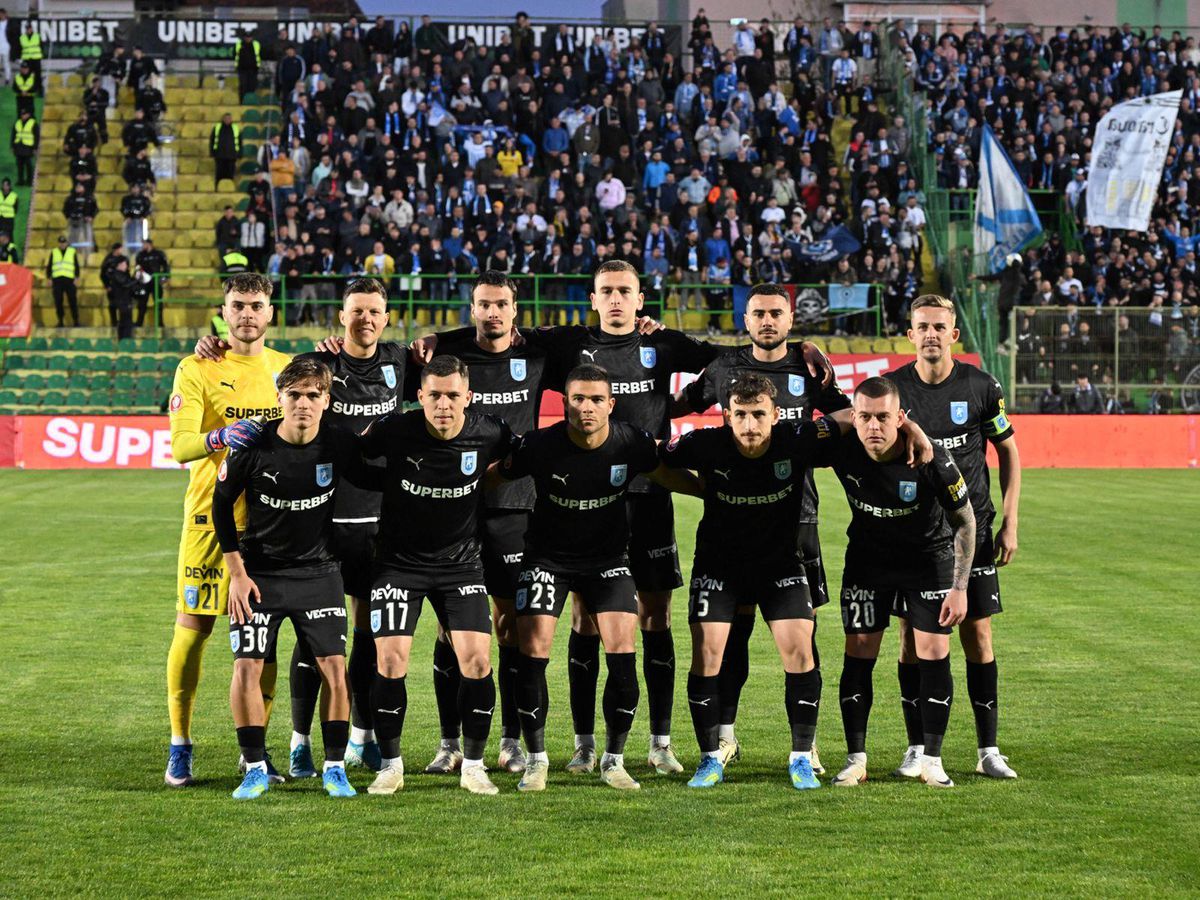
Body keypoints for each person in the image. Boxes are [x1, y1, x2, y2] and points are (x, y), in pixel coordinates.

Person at [494, 363, 701, 792]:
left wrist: (719, 492)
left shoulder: (631, 443)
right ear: (565, 403)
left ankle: (612, 759)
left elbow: (667, 475)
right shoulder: (539, 445)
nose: (586, 408)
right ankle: (536, 761)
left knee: (623, 651)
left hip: (608, 561)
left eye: (594, 400)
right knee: (532, 651)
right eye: (577, 399)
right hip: (547, 561)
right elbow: (493, 477)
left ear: (611, 404)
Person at [677, 283, 840, 771]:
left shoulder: (810, 367)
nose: (767, 321)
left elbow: (849, 419)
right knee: (731, 637)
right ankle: (723, 738)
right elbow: (672, 408)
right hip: (731, 518)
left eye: (776, 313)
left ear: (791, 320)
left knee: (802, 635)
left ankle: (805, 744)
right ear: (744, 320)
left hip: (796, 520)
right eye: (758, 314)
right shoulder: (724, 368)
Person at [213, 357, 371, 800]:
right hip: (259, 574)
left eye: (313, 395)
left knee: (335, 670)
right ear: (279, 398)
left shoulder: (339, 442)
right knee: (247, 666)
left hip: (318, 573)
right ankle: (255, 767)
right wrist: (237, 574)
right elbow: (222, 506)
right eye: (294, 395)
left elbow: (374, 477)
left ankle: (335, 767)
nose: (303, 403)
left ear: (327, 400)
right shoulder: (252, 445)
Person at [359, 355, 517, 797]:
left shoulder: (490, 430)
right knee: (389, 662)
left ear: (468, 396)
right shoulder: (394, 430)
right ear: (419, 397)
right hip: (397, 564)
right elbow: (355, 457)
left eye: (452, 395)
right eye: (434, 395)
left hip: (461, 564)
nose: (443, 404)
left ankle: (473, 765)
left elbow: (518, 459)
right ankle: (391, 766)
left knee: (477, 661)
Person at [417, 272, 551, 776]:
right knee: (452, 629)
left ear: (515, 310)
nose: (492, 312)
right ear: (471, 308)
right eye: (483, 304)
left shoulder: (538, 355)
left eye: (501, 304)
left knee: (511, 625)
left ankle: (512, 740)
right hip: (455, 511)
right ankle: (450, 741)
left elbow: (598, 343)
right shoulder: (443, 357)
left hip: (517, 510)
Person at [163, 273, 291, 788]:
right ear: (224, 310)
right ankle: (180, 744)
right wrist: (220, 434)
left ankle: (253, 750)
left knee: (265, 642)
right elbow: (180, 446)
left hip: (272, 521)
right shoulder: (197, 366)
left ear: (271, 313)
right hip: (208, 519)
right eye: (237, 305)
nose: (247, 315)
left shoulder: (288, 368)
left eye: (256, 305)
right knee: (194, 630)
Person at [887, 294, 1021, 780]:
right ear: (910, 334)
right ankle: (917, 747)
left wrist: (1010, 520)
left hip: (974, 530)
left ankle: (988, 749)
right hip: (916, 537)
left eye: (938, 327)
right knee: (909, 640)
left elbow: (1009, 453)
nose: (930, 335)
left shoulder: (981, 386)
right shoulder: (895, 390)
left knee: (978, 635)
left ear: (953, 334)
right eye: (921, 327)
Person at [828, 376, 976, 790]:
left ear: (900, 417)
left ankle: (932, 758)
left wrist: (960, 586)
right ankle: (856, 759)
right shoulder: (841, 448)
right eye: (865, 418)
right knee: (858, 653)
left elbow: (965, 521)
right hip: (867, 563)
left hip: (927, 563)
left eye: (883, 418)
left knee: (932, 651)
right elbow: (808, 429)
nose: (874, 427)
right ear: (853, 418)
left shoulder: (932, 460)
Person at [46, 236, 80, 328]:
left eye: (64, 242)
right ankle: (60, 321)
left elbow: (76, 265)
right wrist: (48, 278)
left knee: (73, 301)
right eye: (60, 243)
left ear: (66, 243)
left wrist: (77, 277)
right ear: (58, 243)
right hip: (57, 281)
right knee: (58, 302)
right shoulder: (54, 252)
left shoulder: (72, 251)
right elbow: (49, 266)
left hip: (69, 280)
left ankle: (76, 321)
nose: (62, 244)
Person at [211, 112, 242, 191]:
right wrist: (212, 152)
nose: (228, 120)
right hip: (220, 156)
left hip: (232, 156)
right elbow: (212, 140)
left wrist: (240, 153)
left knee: (230, 175)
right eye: (226, 118)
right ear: (223, 119)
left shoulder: (235, 128)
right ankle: (218, 189)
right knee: (219, 175)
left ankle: (230, 189)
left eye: (229, 118)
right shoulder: (217, 127)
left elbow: (240, 141)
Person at [109, 257, 137, 340]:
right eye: (125, 264)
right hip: (123, 301)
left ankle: (123, 340)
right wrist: (136, 279)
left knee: (124, 322)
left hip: (124, 300)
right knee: (126, 322)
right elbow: (126, 284)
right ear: (119, 265)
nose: (126, 266)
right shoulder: (117, 274)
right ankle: (125, 341)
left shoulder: (122, 274)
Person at [11, 107, 37, 186]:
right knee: (19, 165)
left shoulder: (33, 123)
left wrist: (35, 148)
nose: (23, 116)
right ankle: (20, 181)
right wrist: (12, 146)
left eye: (24, 114)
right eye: (22, 114)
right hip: (19, 146)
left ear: (28, 115)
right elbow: (13, 135)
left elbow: (37, 136)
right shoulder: (17, 122)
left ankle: (29, 181)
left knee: (28, 165)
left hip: (28, 147)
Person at [234, 30, 261, 101]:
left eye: (249, 37)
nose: (248, 39)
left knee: (252, 87)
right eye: (246, 37)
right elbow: (235, 55)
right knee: (243, 86)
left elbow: (259, 55)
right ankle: (242, 101)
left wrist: (257, 67)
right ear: (244, 38)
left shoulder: (256, 44)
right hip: (242, 69)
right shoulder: (239, 44)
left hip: (253, 69)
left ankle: (250, 101)